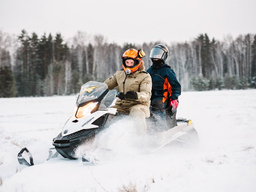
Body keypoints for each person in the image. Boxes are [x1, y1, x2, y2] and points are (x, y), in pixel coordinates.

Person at [104, 48, 152, 135]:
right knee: (105, 115)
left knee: (136, 112)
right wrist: (94, 89)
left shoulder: (145, 76)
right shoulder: (119, 74)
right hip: (121, 105)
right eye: (127, 62)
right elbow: (106, 85)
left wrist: (136, 95)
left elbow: (146, 94)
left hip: (139, 105)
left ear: (137, 62)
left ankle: (141, 139)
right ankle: (98, 139)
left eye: (131, 63)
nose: (129, 65)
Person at [147, 44, 181, 130]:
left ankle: (161, 129)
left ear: (163, 56)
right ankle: (146, 130)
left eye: (158, 54)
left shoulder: (167, 71)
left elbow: (175, 86)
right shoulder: (149, 71)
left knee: (157, 104)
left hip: (163, 98)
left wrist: (174, 98)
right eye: (154, 54)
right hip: (149, 97)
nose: (155, 57)